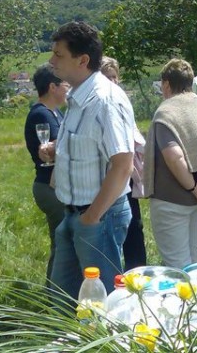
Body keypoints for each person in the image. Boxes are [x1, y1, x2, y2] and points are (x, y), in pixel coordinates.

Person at [39, 21, 135, 301]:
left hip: (99, 217)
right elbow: (91, 145)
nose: (51, 61)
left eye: (59, 54)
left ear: (82, 60)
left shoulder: (105, 101)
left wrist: (91, 218)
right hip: (74, 214)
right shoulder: (77, 97)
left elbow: (123, 165)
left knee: (103, 306)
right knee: (63, 301)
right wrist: (59, 151)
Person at [144, 59, 197, 269]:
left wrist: (192, 187)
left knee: (177, 264)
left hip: (172, 202)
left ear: (166, 84)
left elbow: (174, 157)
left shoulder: (166, 112)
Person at [100, 56, 147, 271]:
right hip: (107, 176)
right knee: (111, 229)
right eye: (107, 78)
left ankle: (137, 273)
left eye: (114, 77)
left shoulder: (122, 102)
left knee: (134, 226)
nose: (112, 82)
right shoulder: (99, 105)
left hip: (128, 173)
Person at [24, 63, 68, 286]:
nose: (68, 89)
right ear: (53, 87)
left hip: (54, 184)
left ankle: (54, 291)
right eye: (65, 84)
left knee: (62, 242)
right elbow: (57, 148)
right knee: (62, 244)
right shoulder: (41, 114)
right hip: (48, 186)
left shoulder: (54, 112)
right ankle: (54, 293)